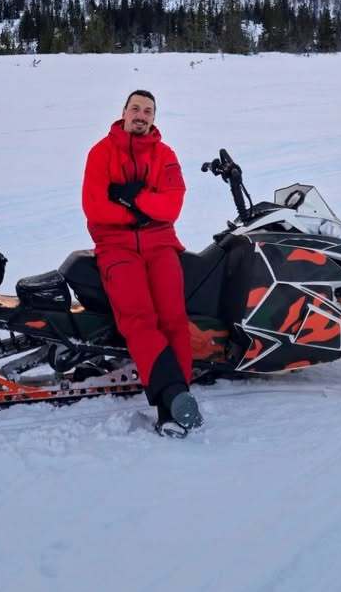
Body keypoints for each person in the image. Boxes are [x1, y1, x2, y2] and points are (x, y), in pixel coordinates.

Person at [81, 89, 203, 434]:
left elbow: (172, 206)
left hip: (161, 244)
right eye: (135, 108)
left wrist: (133, 197)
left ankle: (177, 401)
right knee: (139, 319)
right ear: (123, 112)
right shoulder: (100, 153)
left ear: (154, 117)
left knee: (174, 321)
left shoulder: (166, 155)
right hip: (116, 246)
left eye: (148, 110)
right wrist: (142, 213)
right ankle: (173, 400)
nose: (141, 115)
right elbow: (95, 208)